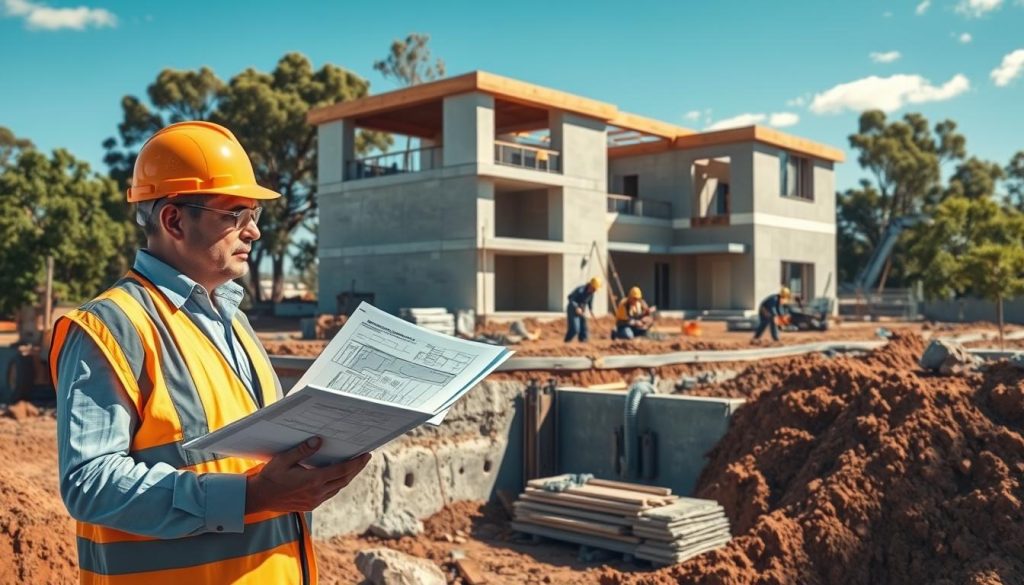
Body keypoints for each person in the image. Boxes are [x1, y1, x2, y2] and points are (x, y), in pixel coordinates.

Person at [51, 121, 371, 584]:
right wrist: (249, 498)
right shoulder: (111, 326)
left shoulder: (234, 321)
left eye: (255, 215)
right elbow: (90, 484)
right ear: (174, 220)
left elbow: (252, 462)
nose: (254, 232)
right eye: (236, 214)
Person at [564, 276, 602, 342]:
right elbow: (570, 298)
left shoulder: (591, 293)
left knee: (584, 328)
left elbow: (589, 301)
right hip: (572, 309)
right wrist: (576, 307)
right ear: (591, 285)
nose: (594, 291)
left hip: (581, 311)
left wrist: (591, 310)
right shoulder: (580, 290)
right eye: (594, 289)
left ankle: (583, 345)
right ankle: (566, 343)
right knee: (575, 329)